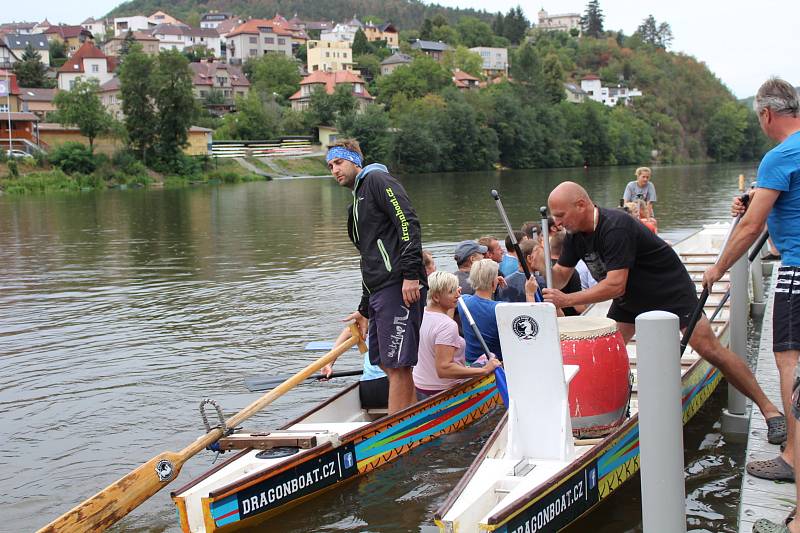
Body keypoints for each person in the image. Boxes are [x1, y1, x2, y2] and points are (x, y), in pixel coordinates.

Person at [543, 181, 783, 441]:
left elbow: (614, 284)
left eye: (560, 215)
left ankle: (770, 411)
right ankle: (604, 413)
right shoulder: (575, 236)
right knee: (601, 351)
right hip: (630, 297)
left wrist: (566, 300)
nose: (557, 222)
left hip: (668, 291)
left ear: (581, 205)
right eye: (554, 217)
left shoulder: (615, 226)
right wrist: (540, 271)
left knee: (711, 351)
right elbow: (561, 276)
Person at [700, 79, 800, 533]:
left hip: (797, 272)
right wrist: (756, 195)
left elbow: (750, 227)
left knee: (788, 365)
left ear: (766, 115)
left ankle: (793, 458)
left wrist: (718, 267)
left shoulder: (780, 155)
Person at [328, 138, 427, 415]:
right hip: (379, 290)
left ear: (356, 161)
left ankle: (395, 428)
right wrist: (363, 308)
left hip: (399, 285)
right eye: (330, 166)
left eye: (339, 162)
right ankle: (409, 416)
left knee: (396, 365)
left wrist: (410, 275)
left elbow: (408, 222)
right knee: (386, 363)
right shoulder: (356, 204)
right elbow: (368, 258)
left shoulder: (378, 180)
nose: (335, 170)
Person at [413, 271, 502, 399]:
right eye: (451, 291)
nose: (457, 294)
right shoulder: (447, 325)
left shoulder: (422, 314)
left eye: (457, 288)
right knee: (493, 361)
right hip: (440, 391)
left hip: (421, 385)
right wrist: (484, 370)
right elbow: (444, 369)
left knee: (488, 358)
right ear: (436, 297)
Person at [324, 327, 389, 409]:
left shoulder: (369, 322)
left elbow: (349, 331)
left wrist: (329, 364)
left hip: (368, 389)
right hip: (389, 384)